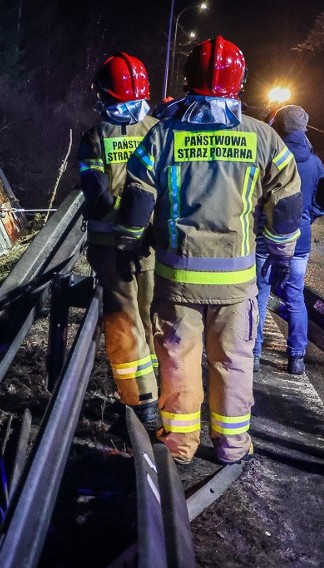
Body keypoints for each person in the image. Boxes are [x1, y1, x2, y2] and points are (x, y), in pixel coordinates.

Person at [113, 36, 302, 465]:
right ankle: (232, 445)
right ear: (241, 82)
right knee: (233, 363)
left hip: (178, 281)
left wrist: (128, 242)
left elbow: (137, 201)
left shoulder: (163, 135)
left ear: (187, 79)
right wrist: (278, 248)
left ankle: (179, 446)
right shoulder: (264, 138)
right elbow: (288, 202)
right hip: (236, 284)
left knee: (178, 362)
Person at [77, 52, 160, 429]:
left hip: (110, 249)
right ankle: (165, 392)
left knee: (125, 322)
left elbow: (95, 197)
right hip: (155, 245)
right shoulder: (160, 131)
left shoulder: (95, 137)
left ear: (105, 95)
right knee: (153, 316)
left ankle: (141, 403)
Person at [255, 105, 324, 375]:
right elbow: (321, 200)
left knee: (260, 292)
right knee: (295, 296)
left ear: (281, 125)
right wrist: (309, 216)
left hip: (266, 235)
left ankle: (255, 354)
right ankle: (296, 358)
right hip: (301, 241)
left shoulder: (273, 152)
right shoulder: (316, 161)